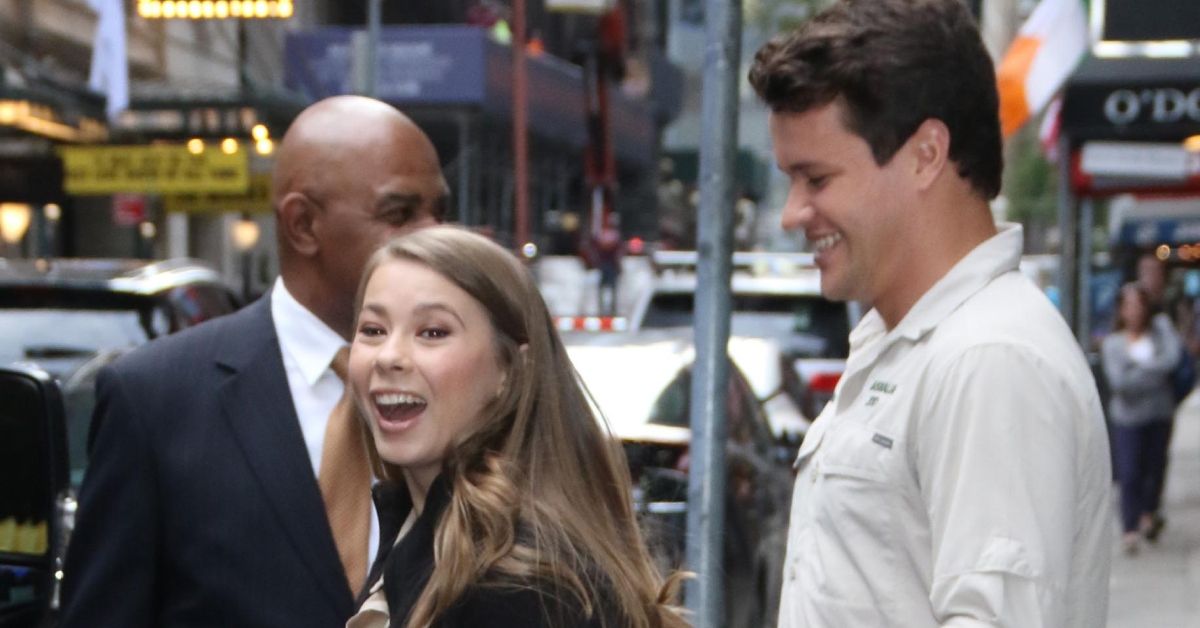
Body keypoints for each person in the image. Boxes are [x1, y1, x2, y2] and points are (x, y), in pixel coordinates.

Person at [747, 1, 1113, 626]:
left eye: (816, 178)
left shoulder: (990, 359)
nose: (792, 213)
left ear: (926, 154)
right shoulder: (926, 341)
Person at [60, 95, 449, 627]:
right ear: (303, 225)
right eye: (400, 214)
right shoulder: (155, 399)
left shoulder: (475, 386)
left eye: (440, 212)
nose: (436, 237)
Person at [344, 226, 686, 628]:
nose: (388, 357)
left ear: (509, 369)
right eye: (373, 330)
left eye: (432, 332)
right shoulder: (420, 534)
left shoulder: (519, 589)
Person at [1102, 282, 1179, 555]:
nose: (1134, 311)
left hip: (1158, 413)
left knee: (1154, 467)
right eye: (1129, 306)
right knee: (1130, 471)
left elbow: (1171, 360)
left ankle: (1149, 512)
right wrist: (1151, 372)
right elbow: (1119, 382)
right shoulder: (1113, 343)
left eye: (1138, 305)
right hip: (1128, 417)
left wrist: (1137, 369)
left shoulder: (1160, 331)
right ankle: (1130, 527)